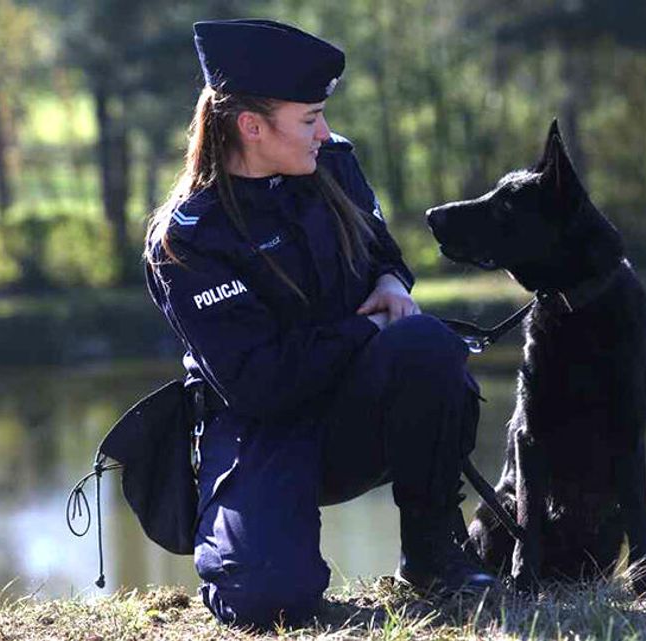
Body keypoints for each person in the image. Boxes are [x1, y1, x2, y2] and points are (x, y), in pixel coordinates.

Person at [143, 19, 497, 629]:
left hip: (357, 410)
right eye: (309, 119)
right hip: (262, 425)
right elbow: (260, 383)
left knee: (427, 344)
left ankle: (433, 551)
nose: (325, 131)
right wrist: (369, 331)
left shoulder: (332, 166)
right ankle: (251, 547)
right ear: (251, 127)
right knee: (267, 603)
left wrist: (390, 285)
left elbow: (383, 253)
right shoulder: (188, 239)